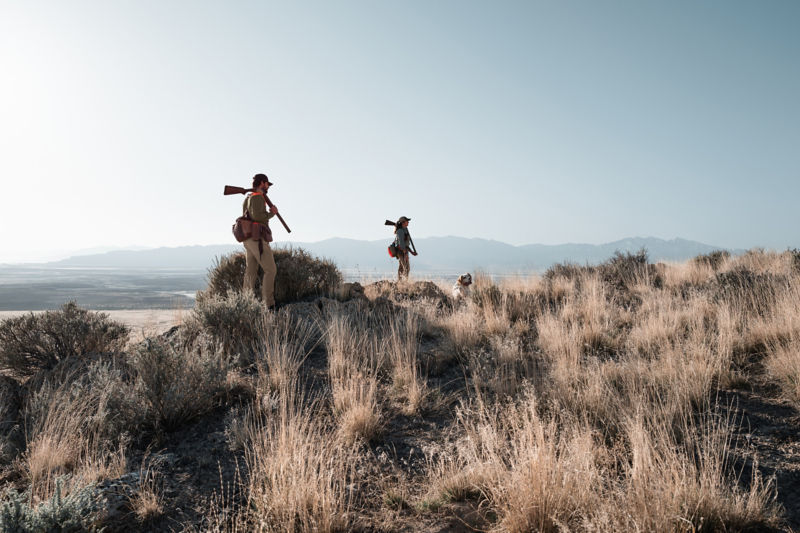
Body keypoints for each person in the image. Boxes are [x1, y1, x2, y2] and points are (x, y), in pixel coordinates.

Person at [242, 173, 279, 308]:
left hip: (248, 239)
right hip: (257, 239)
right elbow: (258, 217)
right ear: (262, 183)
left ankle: (245, 303)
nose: (268, 187)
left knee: (251, 272)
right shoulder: (257, 197)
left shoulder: (249, 197)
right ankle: (269, 304)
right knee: (271, 270)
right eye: (267, 184)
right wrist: (272, 213)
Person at [394, 216, 417, 280]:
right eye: (407, 221)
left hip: (404, 251)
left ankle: (401, 281)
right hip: (401, 251)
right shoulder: (400, 231)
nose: (408, 222)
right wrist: (405, 253)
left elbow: (406, 244)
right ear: (403, 222)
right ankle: (403, 281)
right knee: (406, 267)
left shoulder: (405, 230)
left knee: (403, 267)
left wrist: (412, 252)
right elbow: (401, 243)